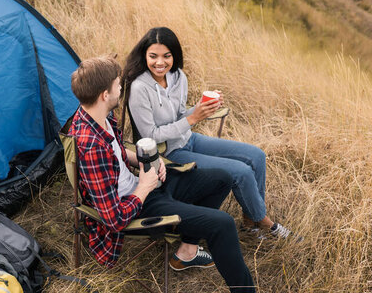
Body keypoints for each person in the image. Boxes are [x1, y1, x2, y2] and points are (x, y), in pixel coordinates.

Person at [68, 55, 299, 293]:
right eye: (117, 85)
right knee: (222, 224)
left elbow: (117, 151)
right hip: (137, 206)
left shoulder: (97, 115)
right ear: (105, 94)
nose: (120, 89)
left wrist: (148, 162)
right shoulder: (89, 144)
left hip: (145, 184)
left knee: (223, 177)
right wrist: (144, 186)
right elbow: (113, 218)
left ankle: (186, 252)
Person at [123, 27, 297, 240]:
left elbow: (179, 116)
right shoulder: (140, 88)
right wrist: (193, 118)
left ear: (174, 56)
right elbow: (150, 133)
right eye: (153, 56)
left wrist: (202, 109)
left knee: (256, 156)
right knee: (241, 172)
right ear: (144, 56)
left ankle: (249, 221)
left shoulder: (178, 77)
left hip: (189, 139)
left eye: (166, 56)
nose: (160, 62)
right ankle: (264, 221)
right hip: (168, 152)